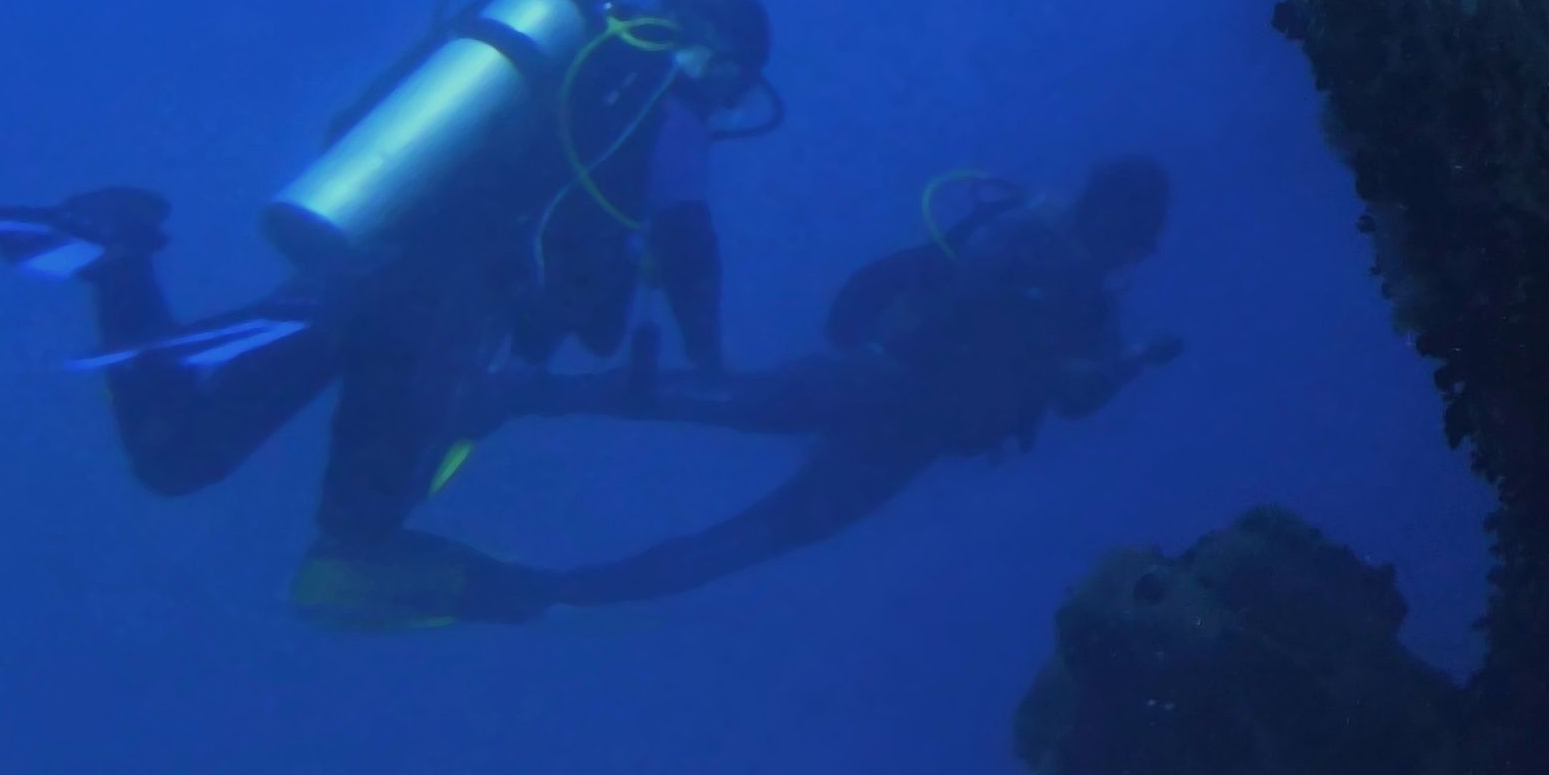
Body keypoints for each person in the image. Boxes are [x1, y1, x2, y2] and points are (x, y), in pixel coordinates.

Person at [0, 0, 778, 623]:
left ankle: (117, 253)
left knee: (178, 458)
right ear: (722, 57)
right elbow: (686, 231)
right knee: (355, 538)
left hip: (359, 264)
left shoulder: (572, 73)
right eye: (734, 86)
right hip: (435, 315)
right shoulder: (666, 92)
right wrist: (708, 356)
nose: (725, 104)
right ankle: (525, 597)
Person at [446, 155, 1178, 621]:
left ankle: (549, 554)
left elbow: (1063, 388)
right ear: (1117, 223)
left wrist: (1125, 361)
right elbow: (982, 313)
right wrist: (1097, 355)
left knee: (730, 465)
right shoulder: (1049, 261)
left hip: (900, 421)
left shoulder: (1077, 293)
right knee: (727, 461)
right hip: (889, 397)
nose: (1134, 251)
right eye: (1136, 235)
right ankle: (521, 434)